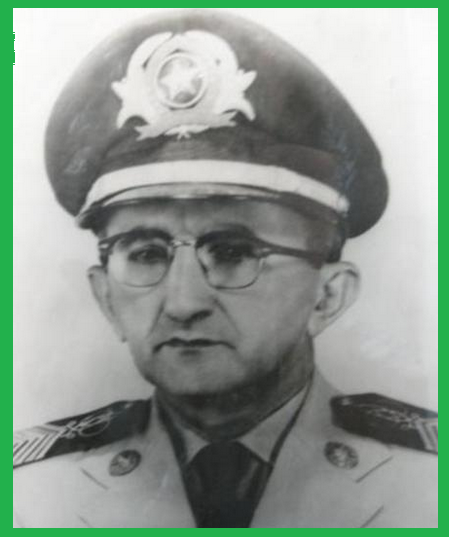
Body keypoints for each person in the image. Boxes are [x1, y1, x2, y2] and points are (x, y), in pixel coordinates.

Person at [13, 9, 437, 528]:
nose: (183, 302)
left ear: (328, 296)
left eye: (234, 252)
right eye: (145, 254)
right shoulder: (30, 495)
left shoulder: (426, 483)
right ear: (106, 298)